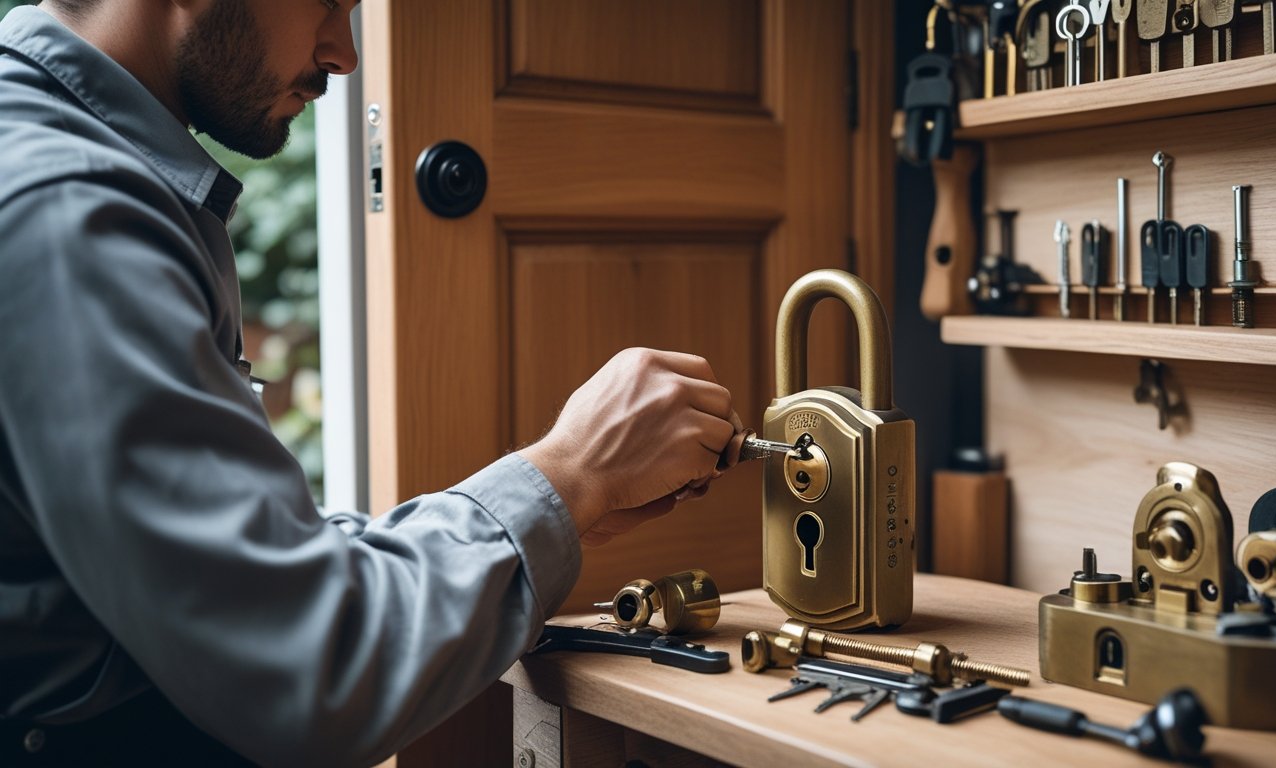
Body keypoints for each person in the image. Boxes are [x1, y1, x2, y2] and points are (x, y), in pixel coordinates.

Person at [0, 1, 744, 765]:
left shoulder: (81, 168)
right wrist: (572, 471)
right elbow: (308, 666)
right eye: (328, 4)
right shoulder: (69, 211)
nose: (344, 56)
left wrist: (561, 505)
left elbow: (244, 573)